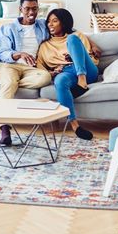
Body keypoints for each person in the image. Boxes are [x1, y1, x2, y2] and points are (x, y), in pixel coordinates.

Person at [36, 8, 101, 140]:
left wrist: (74, 59)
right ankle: (75, 125)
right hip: (66, 73)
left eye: (55, 21)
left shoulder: (77, 36)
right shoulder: (44, 46)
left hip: (87, 71)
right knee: (59, 81)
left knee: (72, 39)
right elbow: (40, 69)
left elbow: (89, 57)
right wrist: (54, 72)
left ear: (64, 23)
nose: (50, 24)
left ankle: (82, 81)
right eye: (48, 22)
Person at [0, 0, 51, 145]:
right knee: (8, 83)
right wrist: (19, 53)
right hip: (10, 65)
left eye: (34, 9)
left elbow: (67, 28)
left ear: (38, 9)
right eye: (27, 9)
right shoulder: (8, 28)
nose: (31, 12)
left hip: (32, 69)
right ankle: (5, 128)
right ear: (20, 9)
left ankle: (12, 84)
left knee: (45, 77)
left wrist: (89, 42)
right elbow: (3, 52)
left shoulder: (42, 25)